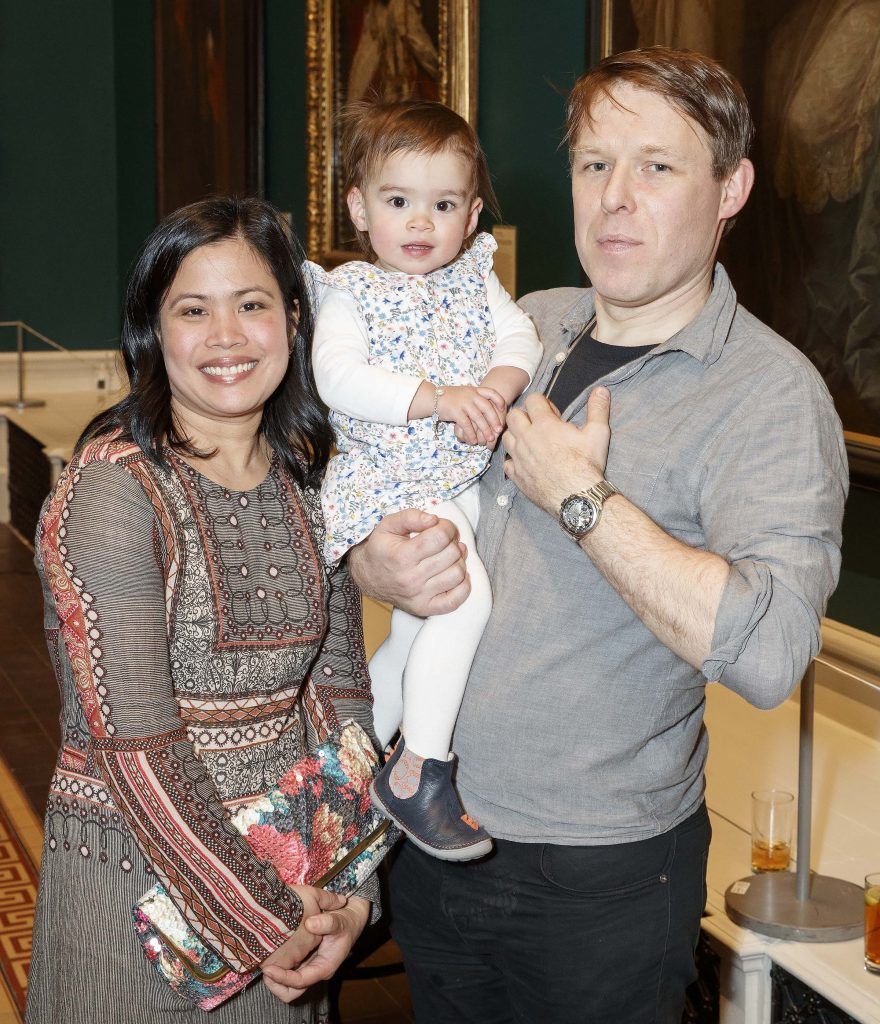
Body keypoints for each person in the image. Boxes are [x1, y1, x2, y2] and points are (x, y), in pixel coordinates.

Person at [349, 47, 848, 1022]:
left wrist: (582, 499)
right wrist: (378, 560)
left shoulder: (773, 396)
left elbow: (770, 653)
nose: (615, 198)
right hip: (432, 836)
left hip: (596, 883)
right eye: (593, 165)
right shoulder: (523, 327)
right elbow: (398, 508)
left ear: (730, 188)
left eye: (656, 167)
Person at [26, 197, 383, 1023]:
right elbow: (137, 745)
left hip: (300, 880)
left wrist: (353, 896)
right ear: (155, 331)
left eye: (252, 304)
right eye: (193, 310)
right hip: (133, 896)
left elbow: (343, 702)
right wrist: (270, 918)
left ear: (294, 320)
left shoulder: (311, 480)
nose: (227, 336)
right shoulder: (113, 489)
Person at [310, 99, 542, 860]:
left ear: (471, 216)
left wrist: (498, 388)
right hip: (386, 476)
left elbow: (520, 338)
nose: (420, 223)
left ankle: (347, 768)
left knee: (415, 634)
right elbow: (338, 377)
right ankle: (420, 771)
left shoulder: (475, 281)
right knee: (462, 601)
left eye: (442, 205)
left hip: (449, 479)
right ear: (359, 208)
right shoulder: (351, 292)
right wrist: (442, 399)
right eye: (398, 201)